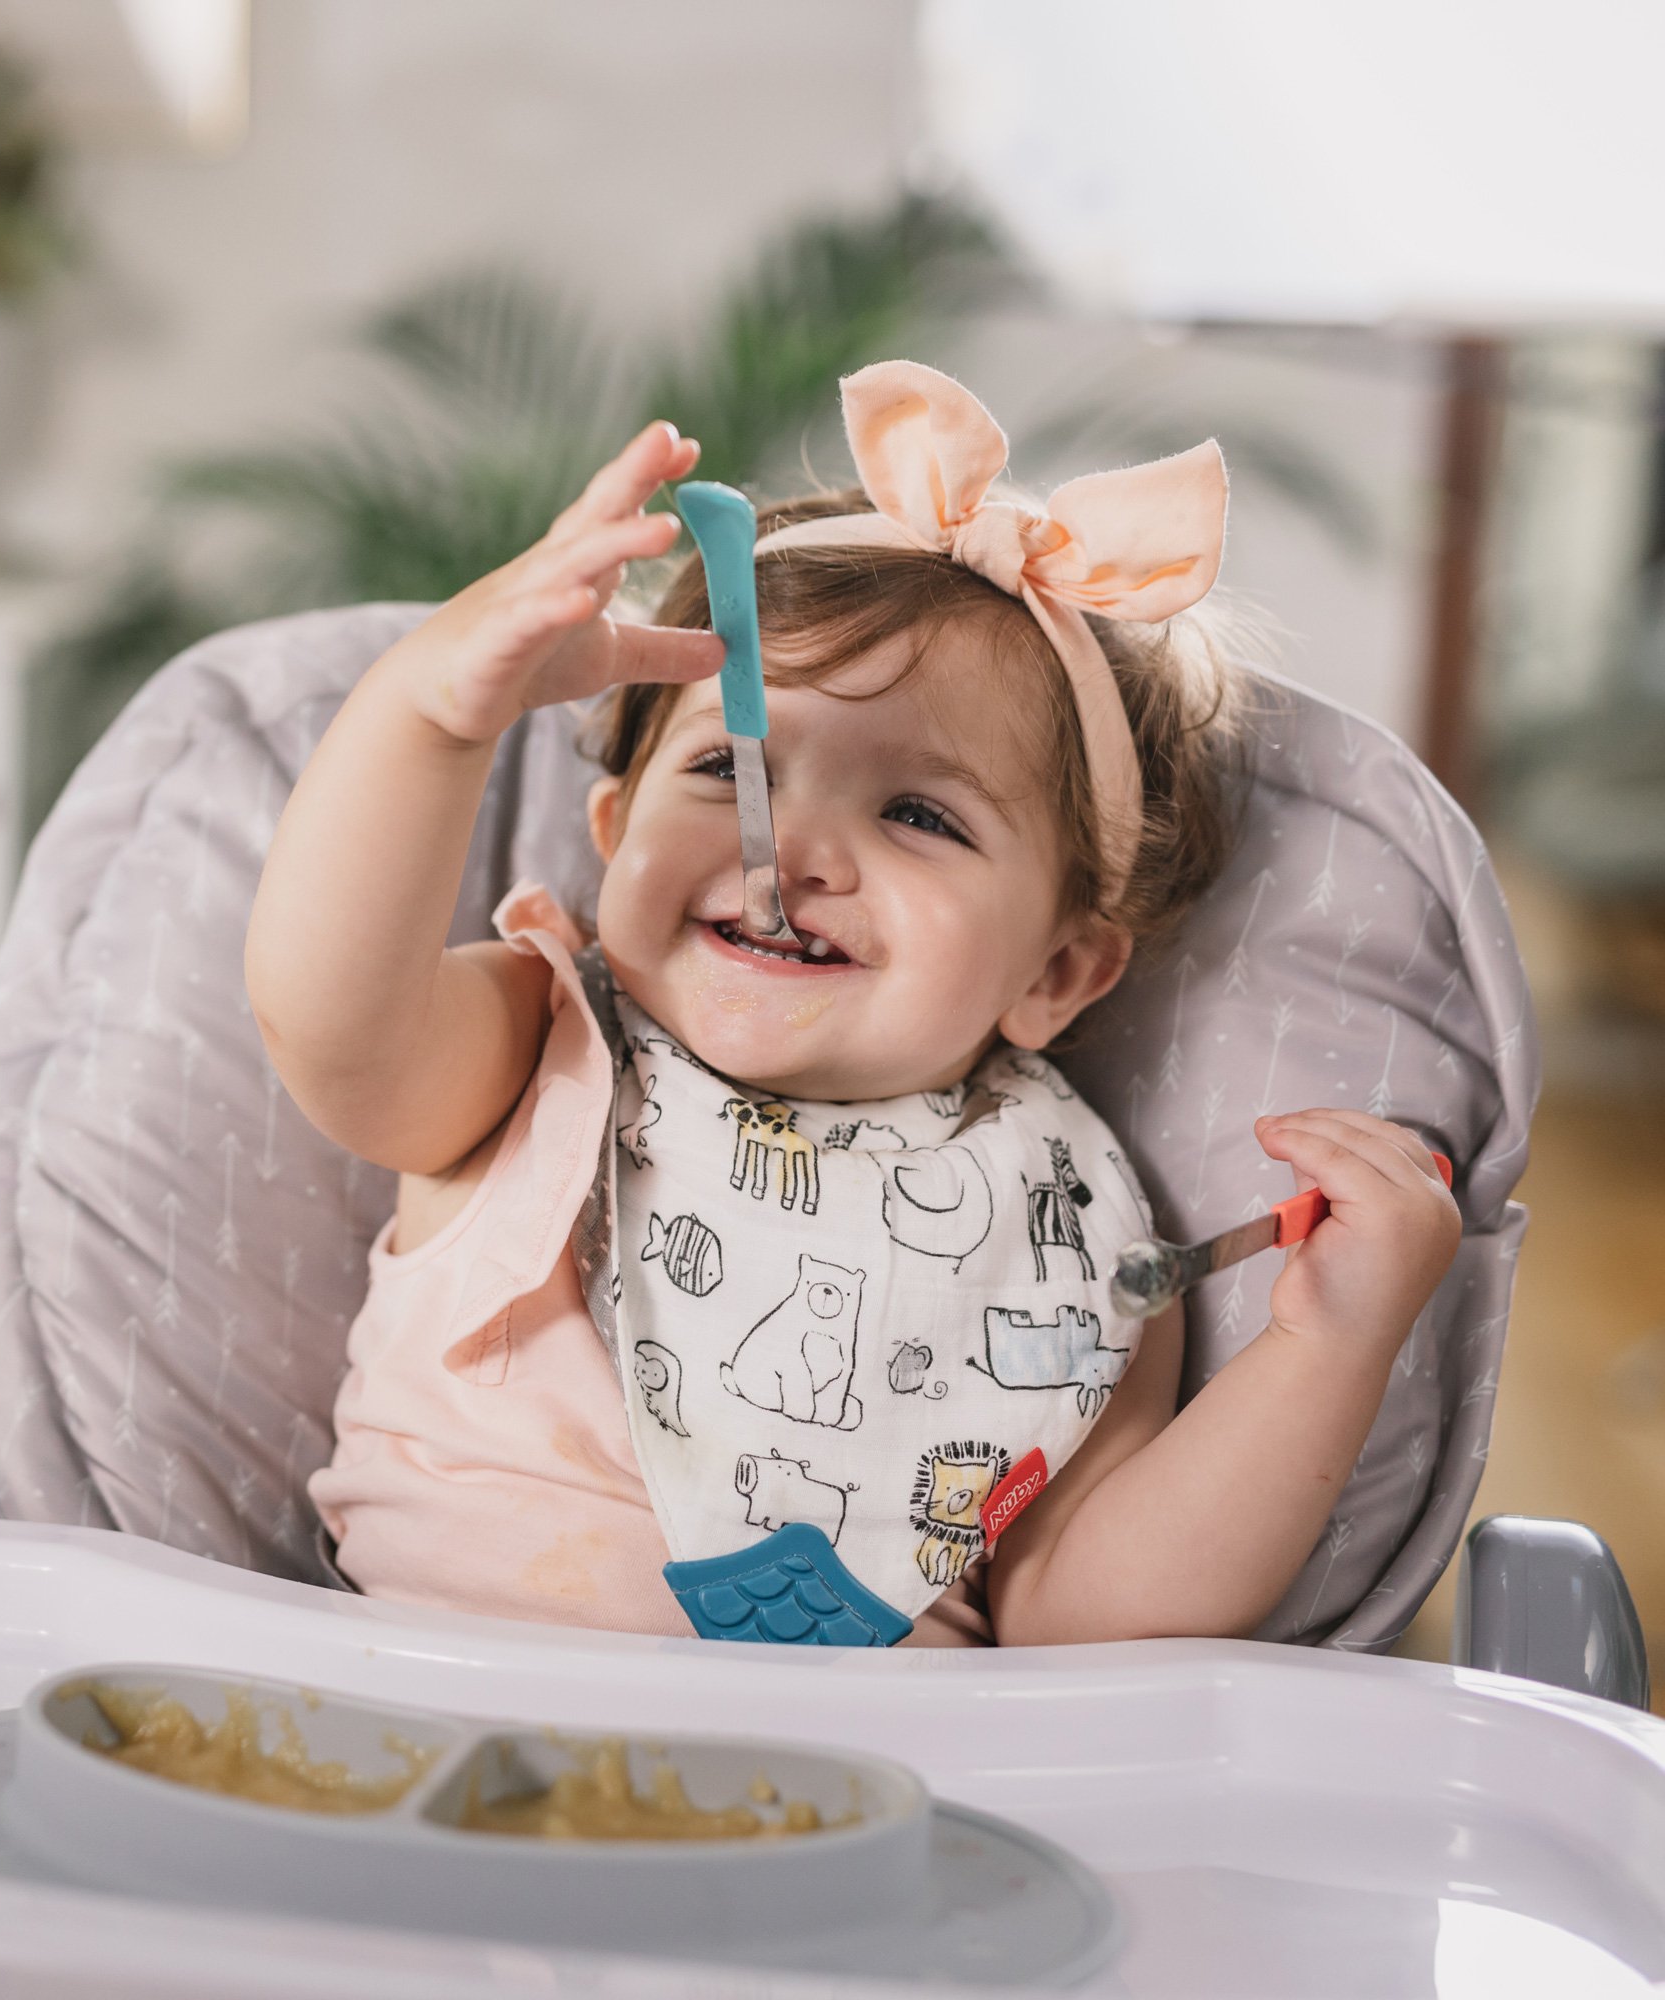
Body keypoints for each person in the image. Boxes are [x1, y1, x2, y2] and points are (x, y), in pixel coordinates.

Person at [245, 360, 1461, 1648]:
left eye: (919, 813)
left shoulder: (1067, 1232)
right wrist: (431, 716)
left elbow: (1090, 1624)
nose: (797, 849)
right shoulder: (540, 1042)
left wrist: (1331, 1342)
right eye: (730, 766)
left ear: (1058, 973)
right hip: (413, 1730)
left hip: (851, 1809)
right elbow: (334, 1026)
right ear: (612, 835)